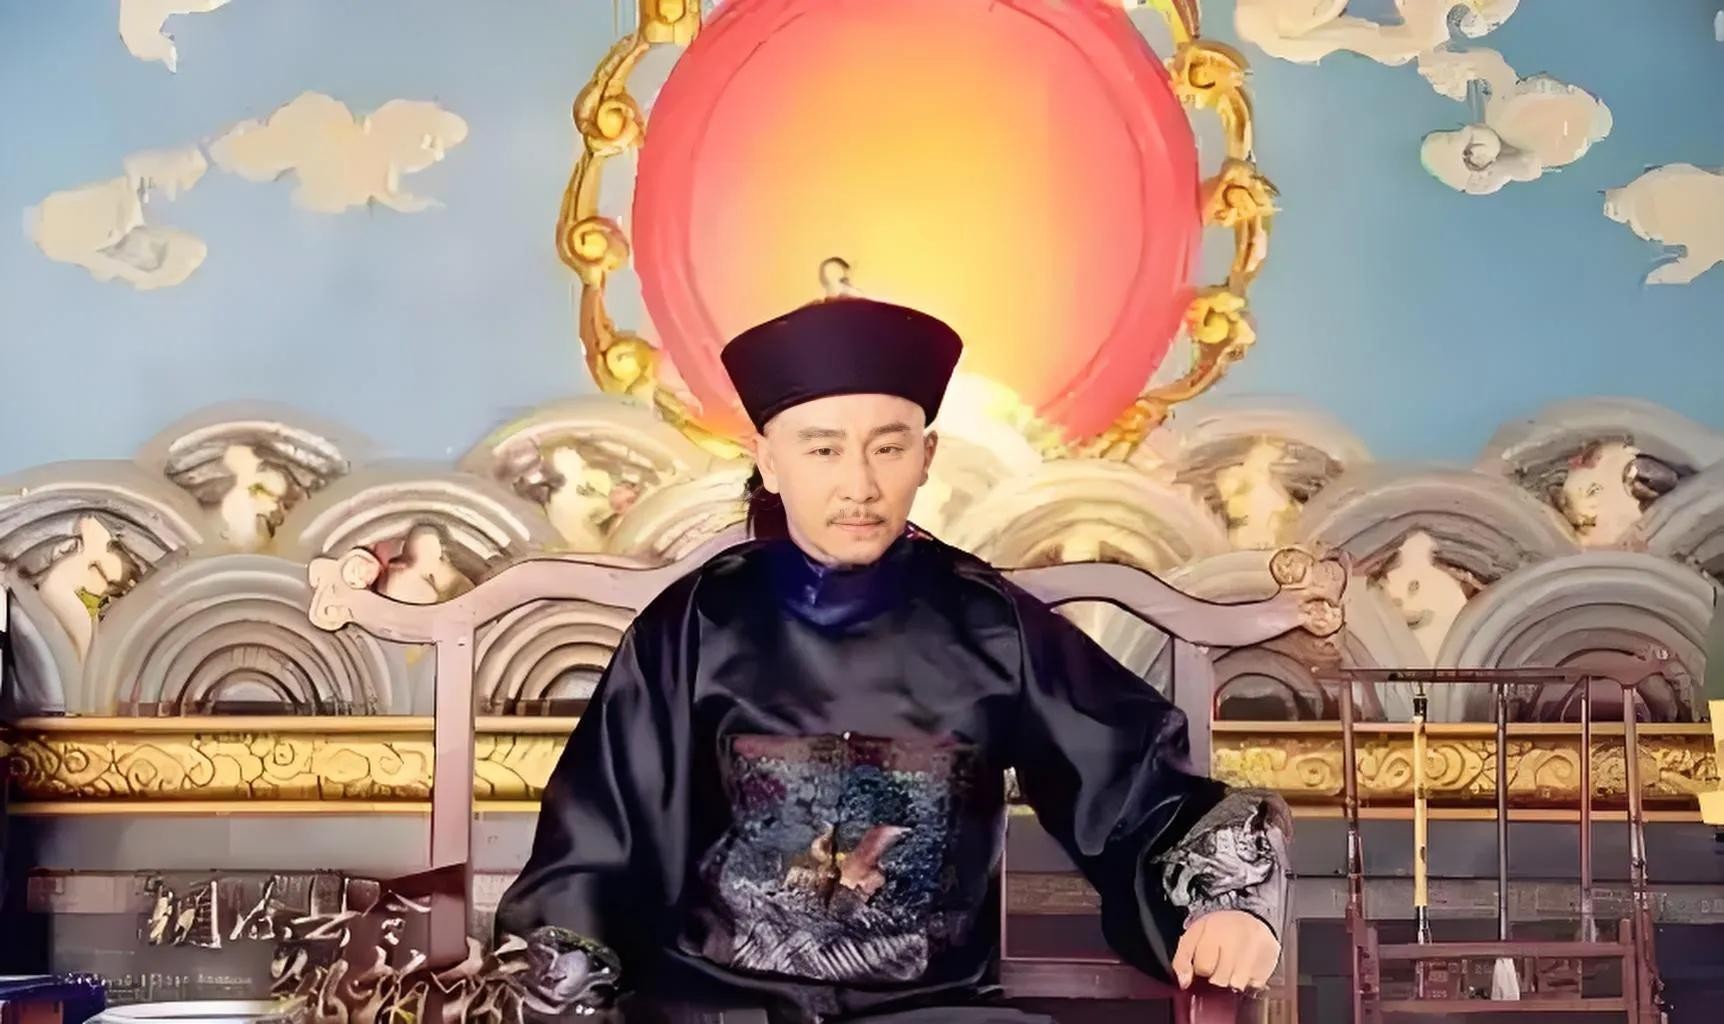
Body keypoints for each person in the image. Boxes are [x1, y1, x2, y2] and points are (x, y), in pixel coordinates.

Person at [497, 296, 1291, 1023]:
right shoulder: (697, 623)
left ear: (927, 454)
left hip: (930, 1012)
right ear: (769, 459)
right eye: (823, 449)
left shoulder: (990, 625)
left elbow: (1137, 788)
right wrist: (567, 973)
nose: (860, 484)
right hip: (713, 1010)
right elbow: (597, 841)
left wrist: (1223, 899)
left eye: (888, 447)